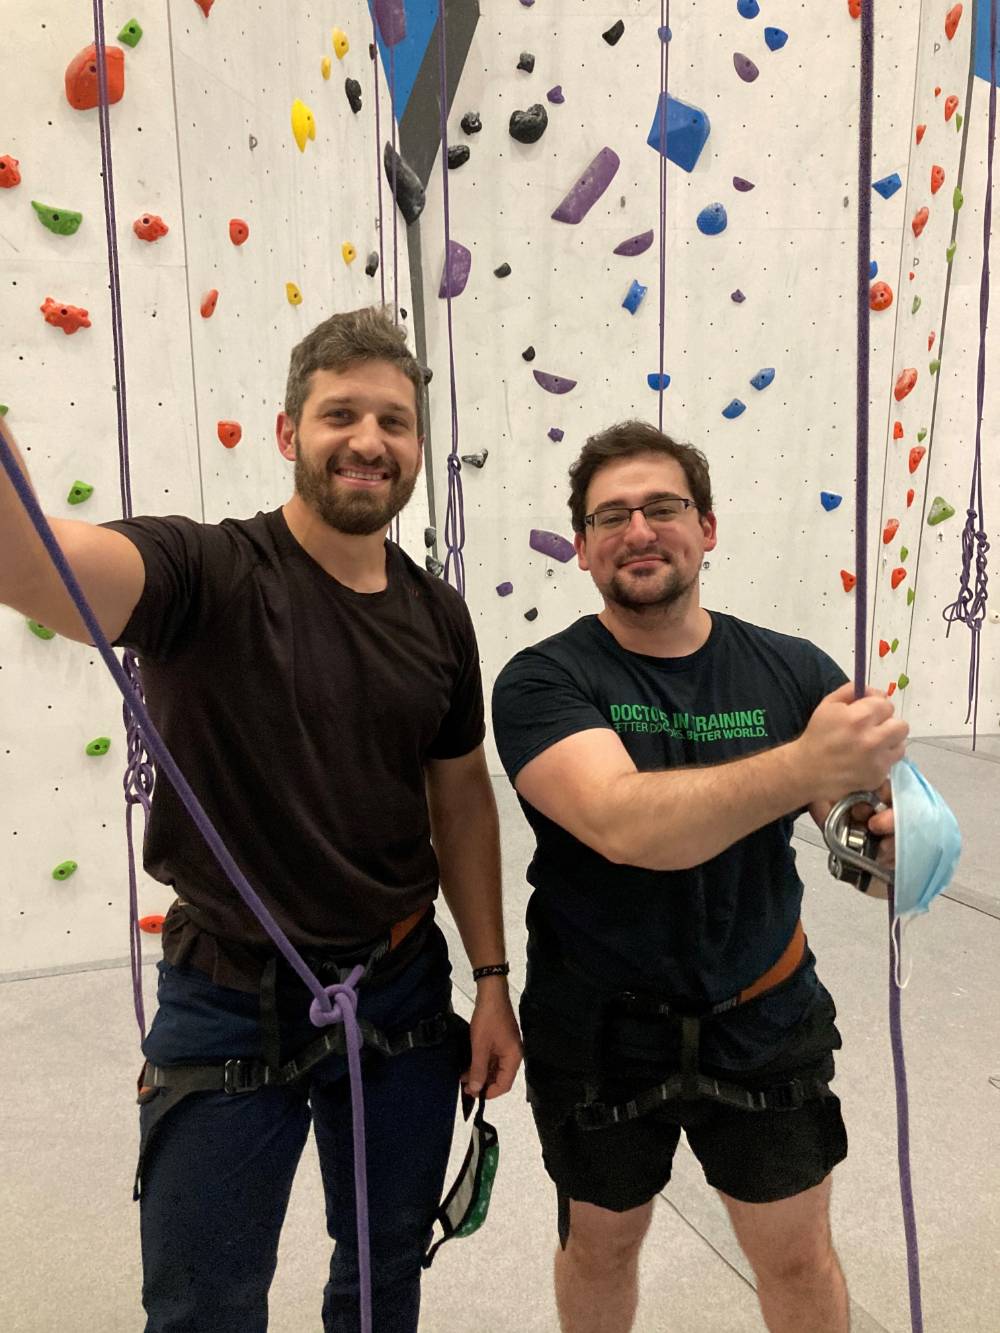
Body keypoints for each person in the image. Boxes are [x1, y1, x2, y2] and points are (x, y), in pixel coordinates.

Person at [0, 305, 522, 1333]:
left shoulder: (436, 614)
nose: (368, 440)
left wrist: (494, 977)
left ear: (417, 448)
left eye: (394, 421)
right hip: (230, 990)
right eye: (339, 414)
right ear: (289, 435)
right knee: (205, 1304)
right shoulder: (205, 575)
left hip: (400, 987)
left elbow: (459, 795)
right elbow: (27, 566)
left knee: (382, 1277)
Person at [492, 420, 908, 1333]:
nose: (637, 529)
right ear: (582, 548)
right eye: (610, 516)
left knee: (797, 1257)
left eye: (663, 506)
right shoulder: (541, 681)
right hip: (600, 1029)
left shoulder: (793, 669)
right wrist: (805, 765)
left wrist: (892, 848)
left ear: (708, 528)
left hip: (763, 1014)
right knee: (601, 1246)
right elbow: (623, 823)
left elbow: (862, 845)